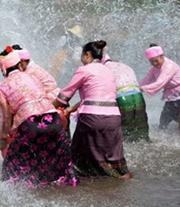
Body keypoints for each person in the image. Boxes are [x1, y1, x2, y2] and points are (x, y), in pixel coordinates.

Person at [0, 46, 76, 186]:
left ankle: (13, 192)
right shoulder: (32, 76)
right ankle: (66, 185)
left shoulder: (2, 87)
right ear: (20, 64)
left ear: (3, 70)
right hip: (54, 119)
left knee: (12, 165)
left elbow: (5, 117)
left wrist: (3, 137)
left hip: (31, 124)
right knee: (57, 159)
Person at [53, 40, 131, 179]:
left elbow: (65, 96)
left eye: (82, 56)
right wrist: (71, 109)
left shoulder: (84, 70)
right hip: (114, 118)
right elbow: (97, 98)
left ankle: (78, 182)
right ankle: (125, 179)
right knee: (114, 157)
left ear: (87, 55)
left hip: (92, 119)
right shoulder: (108, 71)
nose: (81, 60)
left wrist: (49, 105)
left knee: (78, 153)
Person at [102, 49, 150, 142]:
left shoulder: (103, 70)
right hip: (138, 96)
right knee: (141, 128)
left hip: (122, 98)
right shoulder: (124, 66)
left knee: (125, 131)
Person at [139, 44, 180, 130]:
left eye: (156, 61)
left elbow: (160, 83)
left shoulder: (169, 66)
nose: (154, 64)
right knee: (164, 120)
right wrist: (134, 88)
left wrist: (143, 89)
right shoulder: (155, 68)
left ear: (161, 56)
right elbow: (147, 79)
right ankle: (163, 136)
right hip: (171, 96)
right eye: (151, 62)